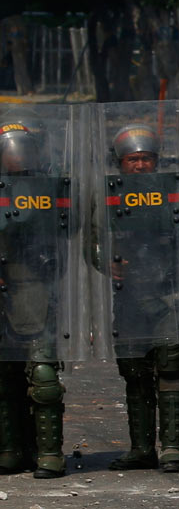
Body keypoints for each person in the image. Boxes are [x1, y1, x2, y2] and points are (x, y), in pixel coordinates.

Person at [98, 123, 179, 473]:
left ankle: (173, 447)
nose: (141, 165)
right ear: (120, 163)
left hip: (170, 292)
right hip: (130, 295)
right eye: (133, 159)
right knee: (134, 372)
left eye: (147, 159)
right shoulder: (109, 195)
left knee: (172, 366)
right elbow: (91, 237)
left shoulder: (174, 190)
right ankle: (141, 447)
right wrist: (107, 263)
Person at [0, 121, 70, 479]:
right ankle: (11, 449)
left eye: (23, 149)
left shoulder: (46, 185)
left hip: (34, 286)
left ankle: (49, 453)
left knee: (42, 376)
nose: (17, 157)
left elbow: (66, 222)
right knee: (5, 375)